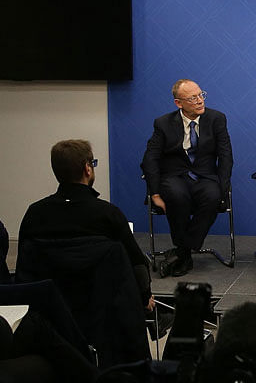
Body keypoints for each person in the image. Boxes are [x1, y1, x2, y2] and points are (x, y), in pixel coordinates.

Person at [16, 139, 157, 366]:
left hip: (52, 320)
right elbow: (137, 264)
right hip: (107, 319)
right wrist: (145, 297)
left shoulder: (35, 214)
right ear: (87, 168)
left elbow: (24, 270)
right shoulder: (108, 214)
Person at [141, 79, 234, 277]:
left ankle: (181, 252)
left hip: (205, 176)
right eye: (193, 98)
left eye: (201, 95)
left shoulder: (217, 119)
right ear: (178, 103)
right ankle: (184, 253)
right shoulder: (163, 123)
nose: (200, 101)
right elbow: (150, 159)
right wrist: (155, 193)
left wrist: (223, 188)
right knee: (176, 195)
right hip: (174, 176)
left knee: (212, 195)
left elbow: (226, 156)